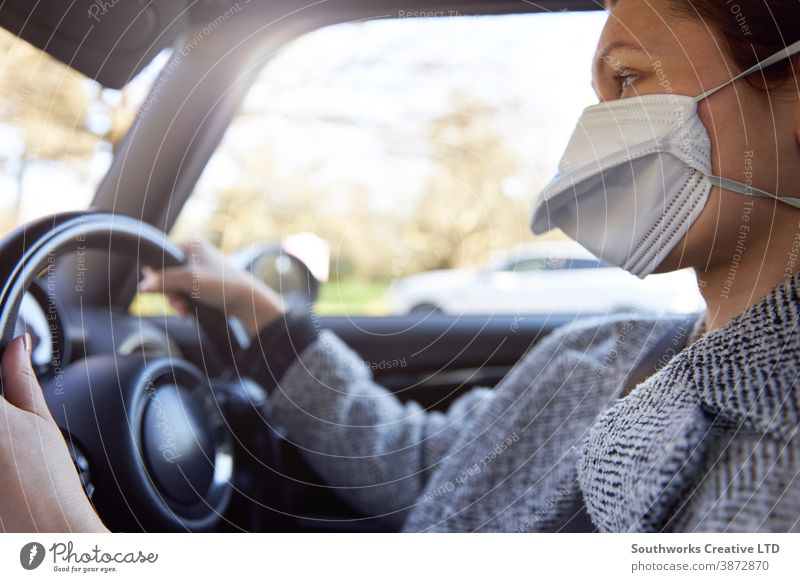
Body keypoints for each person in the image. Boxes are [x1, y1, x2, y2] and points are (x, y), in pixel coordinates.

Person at [2, 0, 799, 532]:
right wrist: (264, 318)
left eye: (627, 79)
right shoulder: (607, 350)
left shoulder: (775, 469)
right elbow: (430, 468)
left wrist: (60, 540)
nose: (596, 130)